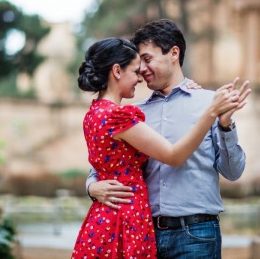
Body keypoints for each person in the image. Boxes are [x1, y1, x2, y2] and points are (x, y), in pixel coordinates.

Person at [86, 19, 251, 258]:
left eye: (147, 59)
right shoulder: (132, 113)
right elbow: (105, 164)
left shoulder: (209, 103)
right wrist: (91, 187)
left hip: (196, 234)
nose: (141, 69)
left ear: (174, 53)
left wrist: (226, 124)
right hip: (143, 233)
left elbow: (233, 172)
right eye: (138, 62)